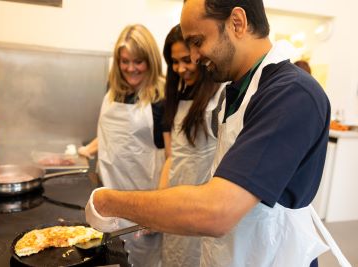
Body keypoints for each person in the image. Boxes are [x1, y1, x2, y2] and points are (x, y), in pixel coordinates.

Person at [85, 1, 351, 267]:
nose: (195, 56)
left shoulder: (291, 94)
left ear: (237, 22)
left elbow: (217, 211)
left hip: (271, 258)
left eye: (198, 41)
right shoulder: (234, 92)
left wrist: (109, 201)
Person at [79, 24, 167, 267]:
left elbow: (170, 157)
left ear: (150, 60)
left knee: (141, 261)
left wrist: (157, 211)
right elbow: (113, 135)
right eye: (124, 61)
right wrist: (88, 150)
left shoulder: (160, 97)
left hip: (142, 201)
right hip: (108, 198)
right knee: (111, 259)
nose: (130, 68)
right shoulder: (113, 91)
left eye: (138, 61)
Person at [159, 24, 225, 267]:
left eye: (186, 60)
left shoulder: (218, 100)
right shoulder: (177, 95)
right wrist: (159, 202)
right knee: (174, 257)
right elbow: (171, 158)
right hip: (175, 203)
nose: (180, 68)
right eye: (174, 62)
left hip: (202, 209)